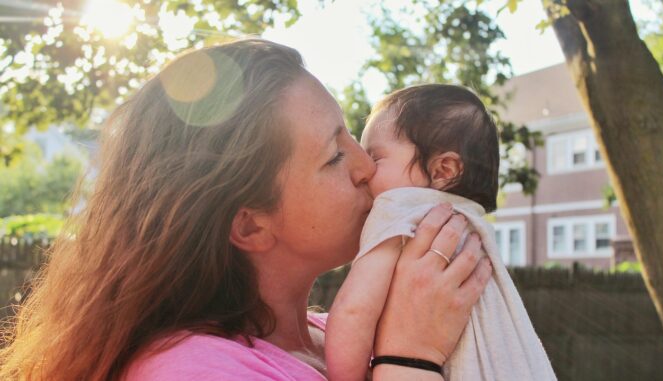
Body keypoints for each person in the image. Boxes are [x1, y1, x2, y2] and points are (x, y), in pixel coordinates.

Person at [0, 40, 492, 380]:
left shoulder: (331, 335)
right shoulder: (194, 370)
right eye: (335, 155)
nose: (368, 167)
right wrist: (412, 358)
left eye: (350, 135)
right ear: (250, 223)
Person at [326, 84, 556, 381]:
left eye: (376, 157)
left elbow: (353, 312)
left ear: (443, 169)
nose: (366, 170)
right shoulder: (474, 227)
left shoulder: (398, 208)